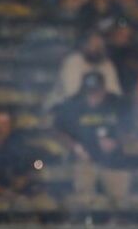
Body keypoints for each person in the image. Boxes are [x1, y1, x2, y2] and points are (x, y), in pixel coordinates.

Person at [53, 71, 133, 208]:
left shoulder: (118, 104)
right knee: (84, 202)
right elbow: (57, 130)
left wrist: (116, 142)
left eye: (96, 92)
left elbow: (131, 132)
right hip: (84, 161)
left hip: (115, 162)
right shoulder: (72, 104)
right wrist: (75, 147)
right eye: (89, 93)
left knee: (120, 203)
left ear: (104, 89)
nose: (92, 97)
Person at [45, 31, 123, 109]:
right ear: (84, 45)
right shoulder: (73, 61)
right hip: (63, 105)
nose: (96, 48)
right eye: (92, 44)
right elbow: (71, 93)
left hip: (97, 107)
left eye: (99, 45)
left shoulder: (107, 64)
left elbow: (115, 92)